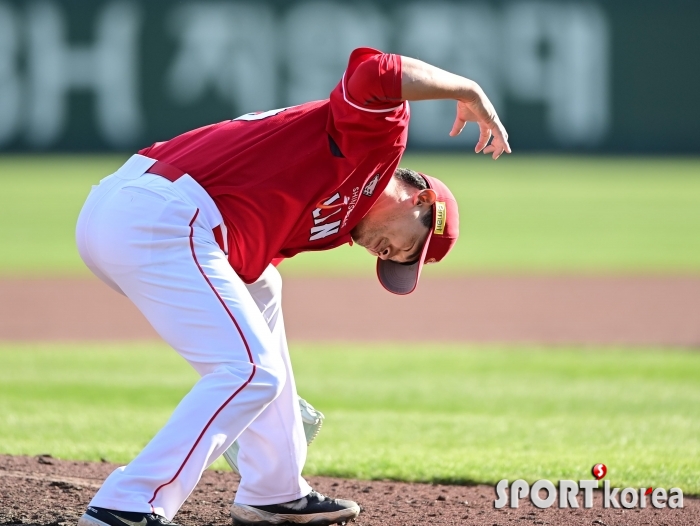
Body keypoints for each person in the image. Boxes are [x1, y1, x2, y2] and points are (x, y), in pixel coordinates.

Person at [75, 47, 510, 526]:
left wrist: (270, 416)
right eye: (410, 247)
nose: (391, 257)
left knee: (263, 287)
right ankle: (129, 503)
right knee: (252, 371)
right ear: (421, 199)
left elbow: (242, 266)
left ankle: (274, 487)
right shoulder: (378, 147)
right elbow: (374, 73)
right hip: (156, 211)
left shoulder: (332, 228)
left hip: (141, 216)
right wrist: (467, 88)